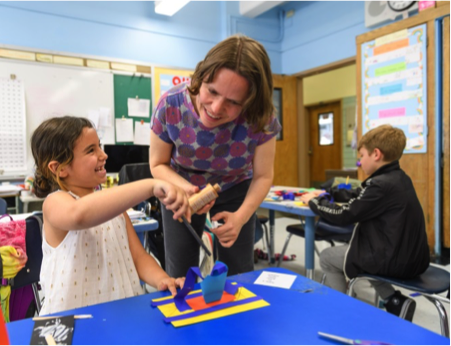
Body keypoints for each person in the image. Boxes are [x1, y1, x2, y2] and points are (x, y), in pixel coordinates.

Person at [150, 35, 280, 277]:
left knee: (239, 269)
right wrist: (187, 190)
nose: (216, 108)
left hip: (235, 185)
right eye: (211, 91)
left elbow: (263, 176)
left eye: (233, 102)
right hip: (181, 186)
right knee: (180, 273)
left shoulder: (261, 118)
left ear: (250, 102)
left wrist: (240, 218)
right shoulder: (171, 105)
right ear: (201, 77)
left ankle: (238, 315)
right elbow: (158, 164)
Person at [31, 116, 189, 315]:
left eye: (99, 146)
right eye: (91, 150)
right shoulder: (55, 202)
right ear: (59, 168)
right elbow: (79, 214)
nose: (103, 155)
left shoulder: (114, 208)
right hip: (71, 323)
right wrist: (150, 185)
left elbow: (139, 257)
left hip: (120, 315)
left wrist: (162, 279)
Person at [300, 124, 429, 321]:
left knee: (327, 257)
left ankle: (344, 310)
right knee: (360, 254)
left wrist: (314, 202)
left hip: (394, 260)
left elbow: (345, 215)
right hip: (412, 257)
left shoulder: (379, 185)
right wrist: (329, 193)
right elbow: (360, 196)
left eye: (361, 156)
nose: (359, 162)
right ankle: (394, 301)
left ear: (376, 154)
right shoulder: (397, 178)